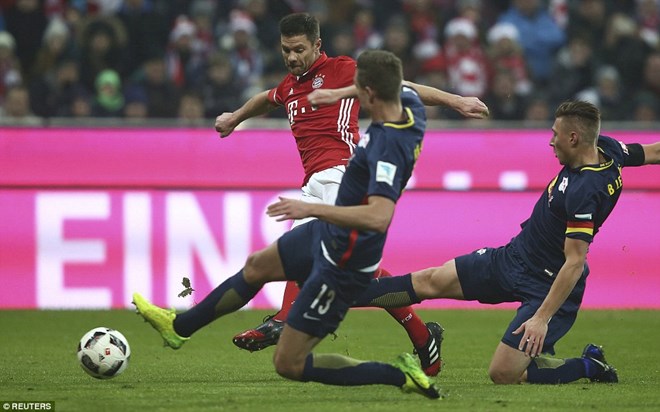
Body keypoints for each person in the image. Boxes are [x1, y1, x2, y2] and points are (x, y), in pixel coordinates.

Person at [134, 49, 441, 399]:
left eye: (357, 88)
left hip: (345, 241)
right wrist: (459, 101)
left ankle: (400, 369)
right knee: (257, 266)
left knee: (292, 360)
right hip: (328, 223)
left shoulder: (388, 147)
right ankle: (180, 326)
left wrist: (311, 209)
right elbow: (405, 88)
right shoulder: (409, 105)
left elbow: (378, 216)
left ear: (369, 93)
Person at [214, 13, 489, 368]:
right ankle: (423, 336)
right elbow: (267, 99)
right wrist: (235, 117)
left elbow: (400, 87)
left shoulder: (342, 69)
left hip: (343, 176)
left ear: (317, 45)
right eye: (286, 50)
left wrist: (456, 101)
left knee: (321, 258)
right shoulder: (290, 85)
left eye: (299, 49)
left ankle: (284, 319)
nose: (292, 57)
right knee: (331, 264)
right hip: (313, 184)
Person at [352, 100, 660, 384]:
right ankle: (341, 297)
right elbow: (653, 152)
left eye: (555, 135)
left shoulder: (585, 191)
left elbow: (575, 262)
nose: (551, 141)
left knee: (503, 373)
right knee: (431, 280)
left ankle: (589, 365)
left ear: (574, 138)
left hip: (547, 286)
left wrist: (541, 319)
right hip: (513, 257)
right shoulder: (608, 149)